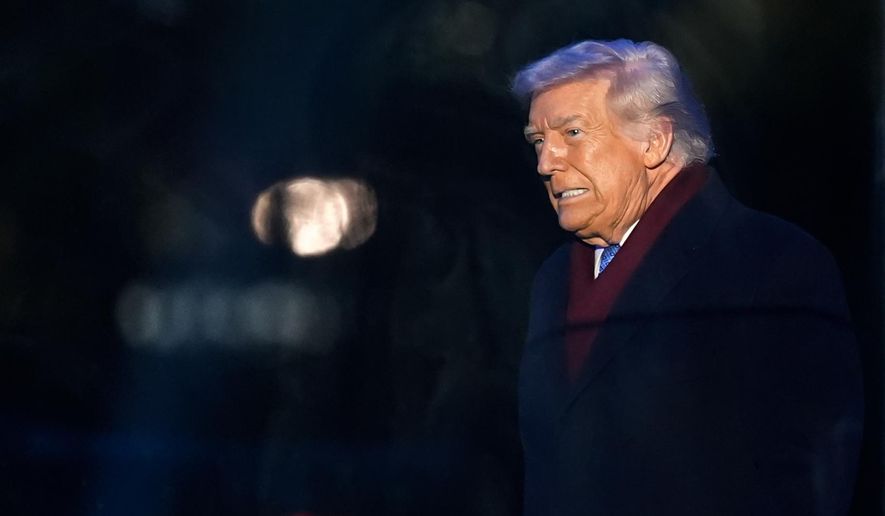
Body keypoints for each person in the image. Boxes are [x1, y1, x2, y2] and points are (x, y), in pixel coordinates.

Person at [512, 39, 863, 516]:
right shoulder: (552, 280)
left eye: (571, 132)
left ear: (654, 141)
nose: (545, 162)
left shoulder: (773, 261)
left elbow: (811, 480)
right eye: (538, 140)